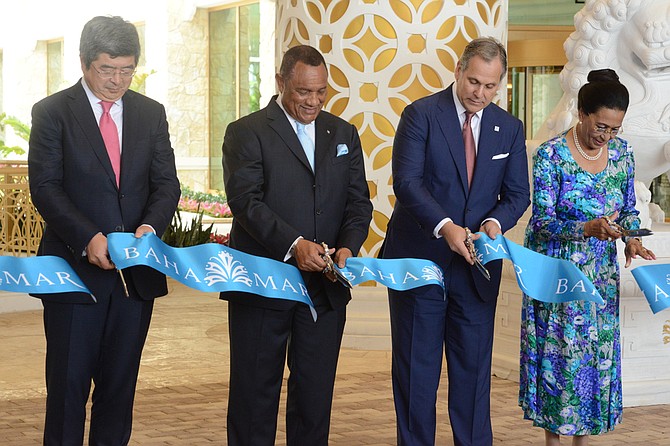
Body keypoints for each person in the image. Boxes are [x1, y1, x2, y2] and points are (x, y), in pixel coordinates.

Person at [28, 16, 180, 445]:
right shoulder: (53, 112)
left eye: (127, 70)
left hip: (135, 276)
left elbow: (167, 183)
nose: (117, 81)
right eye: (107, 69)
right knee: (68, 392)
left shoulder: (151, 114)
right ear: (83, 62)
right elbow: (46, 187)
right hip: (73, 276)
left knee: (118, 391)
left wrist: (149, 228)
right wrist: (88, 237)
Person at [380, 37, 530, 445]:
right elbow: (407, 184)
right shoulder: (420, 115)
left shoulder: (509, 128)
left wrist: (494, 225)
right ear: (459, 70)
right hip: (421, 264)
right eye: (474, 82)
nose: (480, 94)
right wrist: (446, 227)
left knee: (473, 378)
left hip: (477, 270)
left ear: (500, 84)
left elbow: (517, 195)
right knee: (417, 375)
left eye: (490, 86)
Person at [221, 45, 372, 445]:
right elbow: (246, 203)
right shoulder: (246, 132)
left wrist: (348, 247)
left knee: (314, 399)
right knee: (254, 397)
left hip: (325, 287)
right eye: (304, 92)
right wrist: (295, 244)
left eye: (321, 92)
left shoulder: (343, 133)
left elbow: (359, 203)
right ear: (280, 82)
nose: (314, 101)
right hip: (262, 285)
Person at [519, 69, 655, 446]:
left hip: (600, 277)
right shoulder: (551, 155)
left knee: (594, 360)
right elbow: (542, 222)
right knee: (560, 360)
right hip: (560, 275)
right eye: (600, 126)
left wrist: (630, 237)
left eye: (614, 129)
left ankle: (584, 441)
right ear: (581, 113)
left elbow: (627, 209)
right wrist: (586, 229)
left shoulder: (623, 154)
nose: (606, 136)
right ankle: (553, 440)